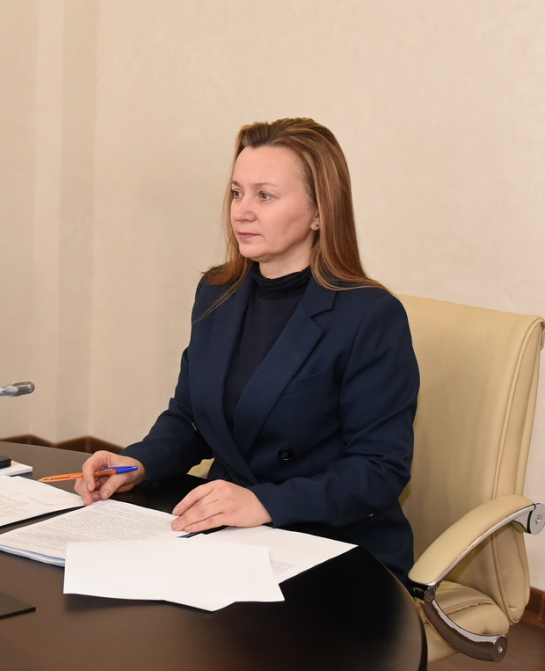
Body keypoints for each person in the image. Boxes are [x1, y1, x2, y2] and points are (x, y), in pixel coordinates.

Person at [76, 117, 420, 581]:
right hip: (232, 535)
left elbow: (379, 470)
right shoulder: (217, 292)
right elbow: (190, 419)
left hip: (332, 547)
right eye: (237, 193)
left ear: (319, 213)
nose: (241, 212)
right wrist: (137, 462)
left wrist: (264, 502)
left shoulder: (370, 315)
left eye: (265, 196)